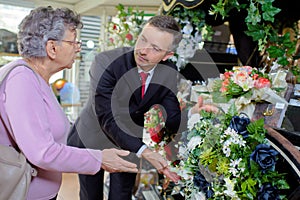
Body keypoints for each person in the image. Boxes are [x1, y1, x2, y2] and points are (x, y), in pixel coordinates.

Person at [0, 6, 138, 200]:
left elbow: (58, 133)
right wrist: (99, 159)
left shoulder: (37, 79)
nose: (78, 47)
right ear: (52, 48)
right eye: (73, 42)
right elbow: (43, 152)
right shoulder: (22, 80)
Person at [67, 15, 186, 200]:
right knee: (91, 195)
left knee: (122, 194)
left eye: (155, 48)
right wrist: (144, 151)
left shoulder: (169, 73)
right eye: (143, 39)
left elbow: (171, 115)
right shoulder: (106, 61)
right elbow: (106, 116)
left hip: (129, 138)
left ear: (167, 55)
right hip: (94, 135)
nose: (143, 50)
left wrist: (191, 114)